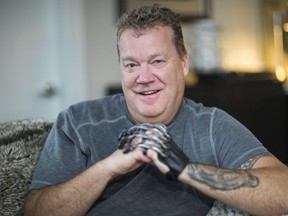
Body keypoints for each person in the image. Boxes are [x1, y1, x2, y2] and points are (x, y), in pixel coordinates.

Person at [24, 4, 288, 216]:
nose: (144, 77)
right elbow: (35, 212)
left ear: (184, 63)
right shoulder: (78, 121)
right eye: (131, 65)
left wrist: (186, 169)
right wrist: (108, 168)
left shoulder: (211, 125)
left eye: (157, 61)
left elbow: (283, 194)